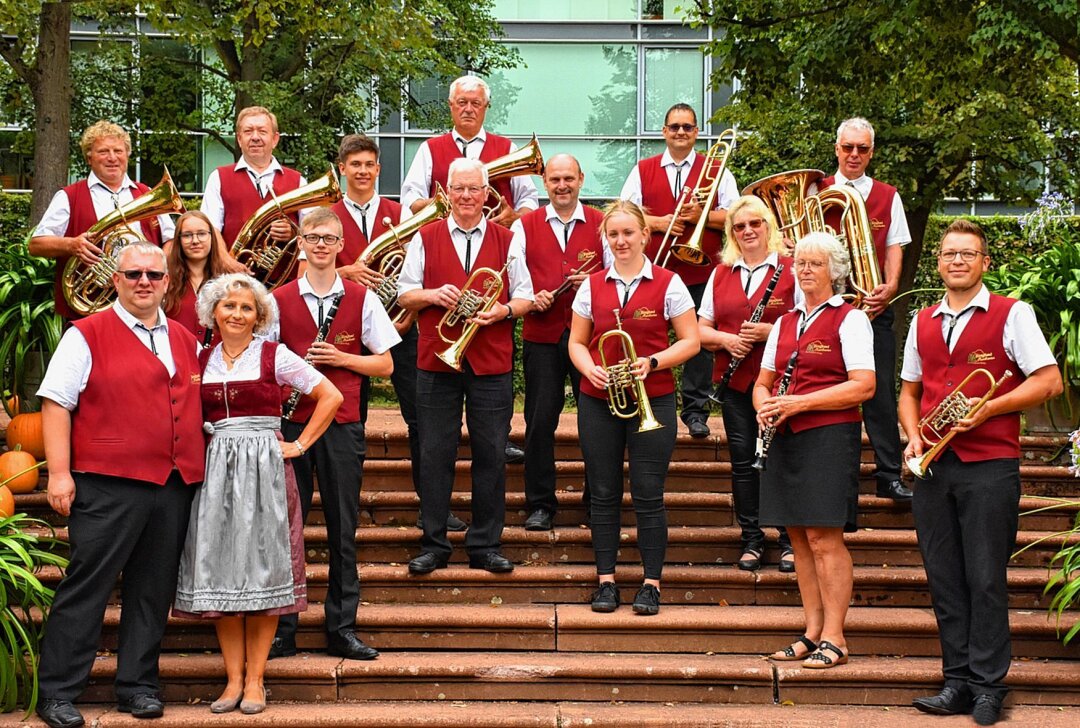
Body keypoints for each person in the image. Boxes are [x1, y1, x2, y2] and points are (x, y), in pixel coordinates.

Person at [899, 220, 1061, 726]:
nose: (957, 262)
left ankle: (990, 686)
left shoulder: (1013, 314)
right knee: (944, 577)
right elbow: (908, 391)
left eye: (968, 254)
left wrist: (991, 409)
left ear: (984, 262)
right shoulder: (922, 319)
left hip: (989, 466)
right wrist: (913, 436)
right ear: (939, 262)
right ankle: (958, 681)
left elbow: (1049, 381)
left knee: (985, 578)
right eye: (949, 254)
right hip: (933, 466)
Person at [34, 242, 202, 728]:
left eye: (153, 274)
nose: (144, 281)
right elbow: (55, 403)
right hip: (107, 484)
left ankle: (137, 686)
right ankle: (59, 692)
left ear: (167, 281)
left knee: (153, 590)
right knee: (89, 586)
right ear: (116, 280)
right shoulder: (85, 334)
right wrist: (60, 473)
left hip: (172, 484)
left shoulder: (186, 338)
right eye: (133, 274)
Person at [173, 273, 341, 714]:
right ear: (213, 312)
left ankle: (256, 681)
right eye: (229, 306)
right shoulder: (199, 357)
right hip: (215, 473)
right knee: (223, 572)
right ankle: (231, 681)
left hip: (265, 471)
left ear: (259, 315)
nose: (237, 314)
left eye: (247, 308)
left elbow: (330, 395)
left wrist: (299, 444)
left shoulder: (275, 355)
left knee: (263, 571)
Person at [269, 208, 400, 661]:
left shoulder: (364, 299)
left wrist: (342, 360)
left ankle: (341, 628)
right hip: (290, 424)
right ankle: (282, 628)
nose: (321, 245)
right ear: (300, 244)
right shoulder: (277, 299)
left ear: (341, 244)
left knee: (343, 528)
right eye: (312, 237)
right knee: (287, 527)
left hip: (342, 424)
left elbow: (384, 364)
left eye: (329, 238)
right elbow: (263, 363)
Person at [397, 157, 534, 576]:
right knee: (435, 452)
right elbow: (404, 295)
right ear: (447, 193)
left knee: (491, 452)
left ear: (487, 193)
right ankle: (434, 543)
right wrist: (434, 294)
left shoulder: (508, 238)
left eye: (475, 189)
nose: (467, 196)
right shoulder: (425, 235)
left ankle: (485, 544)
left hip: (490, 362)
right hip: (437, 360)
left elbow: (525, 297)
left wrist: (503, 310)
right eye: (459, 188)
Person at [567, 200, 700, 616]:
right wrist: (590, 370)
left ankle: (651, 583)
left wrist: (653, 362)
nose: (621, 241)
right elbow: (576, 342)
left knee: (648, 493)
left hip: (653, 398)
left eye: (628, 233)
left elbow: (691, 341)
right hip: (598, 401)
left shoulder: (669, 282)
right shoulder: (591, 285)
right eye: (613, 234)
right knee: (603, 493)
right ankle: (605, 581)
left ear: (645, 235)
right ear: (606, 239)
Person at [329, 134, 467, 531]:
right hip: (346, 334)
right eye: (354, 165)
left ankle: (433, 509)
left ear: (378, 169)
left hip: (401, 328)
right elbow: (310, 275)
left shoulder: (403, 214)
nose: (362, 171)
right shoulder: (326, 215)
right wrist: (346, 271)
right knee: (348, 424)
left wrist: (407, 314)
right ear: (342, 169)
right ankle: (345, 509)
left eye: (368, 164)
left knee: (422, 422)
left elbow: (418, 273)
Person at [755, 232, 875, 669]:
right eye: (800, 263)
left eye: (815, 263)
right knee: (798, 540)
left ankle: (836, 637)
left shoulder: (851, 319)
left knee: (825, 539)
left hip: (828, 436)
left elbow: (864, 385)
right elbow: (762, 382)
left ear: (835, 271)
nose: (805, 270)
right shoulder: (786, 322)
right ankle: (811, 631)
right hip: (785, 436)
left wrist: (799, 403)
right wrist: (764, 407)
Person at [620, 103, 738, 438]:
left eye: (687, 127)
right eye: (674, 127)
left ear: (696, 132)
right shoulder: (643, 169)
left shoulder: (717, 169)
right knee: (646, 333)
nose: (681, 133)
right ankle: (643, 399)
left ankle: (695, 410)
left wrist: (702, 214)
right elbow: (625, 213)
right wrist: (658, 223)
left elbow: (735, 216)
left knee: (698, 341)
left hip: (702, 270)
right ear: (664, 132)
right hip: (657, 268)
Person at [697, 196, 797, 572]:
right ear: (731, 234)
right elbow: (700, 330)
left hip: (783, 386)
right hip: (736, 383)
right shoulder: (721, 273)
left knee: (782, 461)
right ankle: (752, 539)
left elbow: (810, 325)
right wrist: (727, 341)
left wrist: (770, 331)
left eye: (755, 223)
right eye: (739, 227)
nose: (748, 231)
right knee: (743, 463)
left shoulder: (790, 269)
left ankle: (789, 540)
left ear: (768, 227)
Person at [817, 117, 912, 501]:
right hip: (824, 310)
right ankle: (832, 476)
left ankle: (889, 474)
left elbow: (894, 245)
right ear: (836, 149)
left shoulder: (888, 195)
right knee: (824, 391)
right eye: (847, 147)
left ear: (871, 152)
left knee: (880, 394)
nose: (854, 154)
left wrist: (888, 288)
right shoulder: (815, 190)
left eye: (862, 148)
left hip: (872, 309)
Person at [514, 154, 610, 531]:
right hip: (542, 335)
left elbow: (616, 274)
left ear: (581, 179)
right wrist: (531, 295)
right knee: (539, 421)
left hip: (592, 338)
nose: (562, 185)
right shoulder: (525, 226)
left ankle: (597, 502)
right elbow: (516, 279)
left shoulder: (603, 224)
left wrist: (593, 284)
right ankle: (540, 504)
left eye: (569, 178)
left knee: (597, 421)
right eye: (554, 179)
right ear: (544, 183)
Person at [30, 120, 176, 319]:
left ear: (128, 155)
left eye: (118, 151)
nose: (112, 158)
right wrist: (71, 245)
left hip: (144, 303)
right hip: (92, 309)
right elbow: (36, 244)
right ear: (89, 157)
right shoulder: (69, 196)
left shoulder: (147, 194)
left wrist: (156, 265)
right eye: (103, 152)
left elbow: (171, 239)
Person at [400, 74, 538, 229]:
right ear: (450, 105)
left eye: (476, 103)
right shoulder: (429, 148)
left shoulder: (508, 148)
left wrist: (517, 218)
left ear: (486, 107)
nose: (468, 109)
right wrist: (440, 204)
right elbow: (410, 199)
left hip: (497, 242)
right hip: (443, 241)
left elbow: (529, 198)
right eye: (462, 102)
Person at [200, 106, 306, 247]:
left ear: (275, 139)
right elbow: (209, 231)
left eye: (262, 131)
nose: (255, 137)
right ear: (239, 139)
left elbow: (313, 233)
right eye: (248, 131)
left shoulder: (298, 181)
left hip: (286, 269)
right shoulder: (218, 178)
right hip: (231, 268)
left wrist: (294, 233)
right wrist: (227, 262)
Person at [163, 210, 246, 347]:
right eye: (187, 235)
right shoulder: (164, 280)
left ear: (212, 237)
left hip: (220, 363)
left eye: (201, 234)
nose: (195, 241)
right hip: (177, 361)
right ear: (179, 240)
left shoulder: (231, 281)